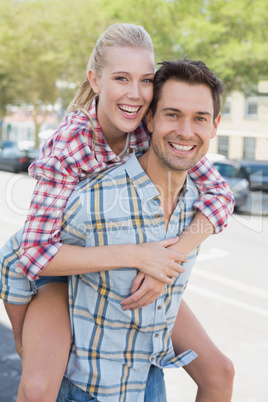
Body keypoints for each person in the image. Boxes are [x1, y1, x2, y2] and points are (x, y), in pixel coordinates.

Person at [1, 24, 234, 402]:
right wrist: (138, 255)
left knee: (220, 371)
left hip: (128, 268)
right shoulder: (69, 144)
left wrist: (168, 260)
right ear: (94, 79)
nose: (135, 93)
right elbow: (33, 253)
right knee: (39, 387)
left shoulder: (150, 127)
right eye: (121, 78)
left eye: (145, 81)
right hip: (60, 271)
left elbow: (220, 195)